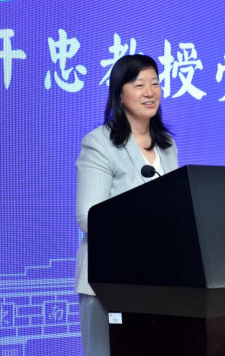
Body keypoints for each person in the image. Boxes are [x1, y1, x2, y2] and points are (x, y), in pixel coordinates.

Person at [75, 54, 178, 356]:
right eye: (139, 84)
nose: (150, 92)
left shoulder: (167, 145)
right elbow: (88, 216)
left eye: (155, 83)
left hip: (157, 281)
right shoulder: (99, 143)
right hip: (107, 281)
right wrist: (144, 225)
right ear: (120, 94)